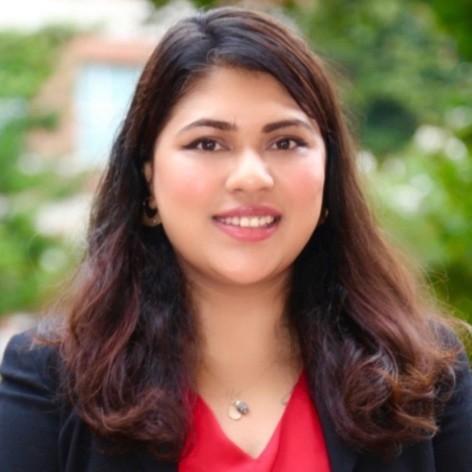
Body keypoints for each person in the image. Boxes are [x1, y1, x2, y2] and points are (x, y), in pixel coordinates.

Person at [0, 6, 471, 472]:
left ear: (329, 174)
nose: (251, 177)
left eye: (286, 142)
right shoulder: (51, 380)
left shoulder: (426, 376)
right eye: (207, 143)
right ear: (148, 178)